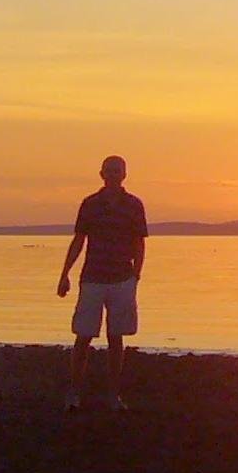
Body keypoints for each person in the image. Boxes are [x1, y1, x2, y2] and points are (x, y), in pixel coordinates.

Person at [56, 155, 147, 411]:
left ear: (124, 174)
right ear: (102, 174)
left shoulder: (133, 205)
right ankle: (74, 392)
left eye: (117, 171)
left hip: (122, 279)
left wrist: (136, 275)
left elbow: (139, 242)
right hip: (93, 278)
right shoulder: (90, 204)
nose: (113, 174)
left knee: (116, 338)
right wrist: (65, 274)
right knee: (83, 336)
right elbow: (78, 240)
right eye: (109, 171)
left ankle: (113, 395)